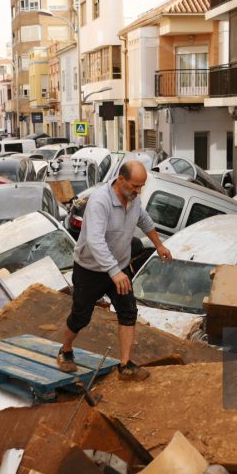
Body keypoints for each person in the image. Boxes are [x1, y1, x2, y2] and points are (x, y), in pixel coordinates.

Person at [57, 160, 172, 381]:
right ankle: (65, 350)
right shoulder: (100, 201)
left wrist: (159, 245)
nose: (138, 192)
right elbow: (95, 240)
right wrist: (113, 271)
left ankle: (125, 365)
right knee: (81, 317)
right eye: (135, 186)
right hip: (89, 270)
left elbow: (144, 220)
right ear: (121, 180)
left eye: (141, 187)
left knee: (128, 311)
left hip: (118, 268)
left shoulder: (133, 199)